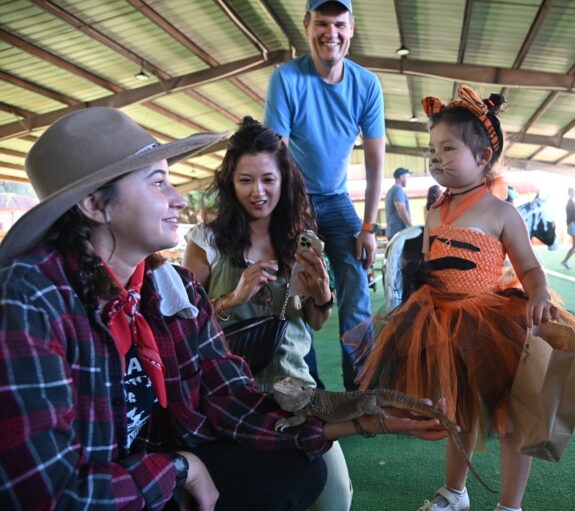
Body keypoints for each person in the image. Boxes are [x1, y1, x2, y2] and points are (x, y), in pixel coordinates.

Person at [0, 107, 449, 511]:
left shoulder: (165, 286)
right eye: (158, 182)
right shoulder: (32, 297)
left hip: (172, 448)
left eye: (269, 179)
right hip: (104, 485)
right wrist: (178, 469)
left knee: (299, 469)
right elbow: (49, 494)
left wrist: (369, 420)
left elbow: (229, 397)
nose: (177, 199)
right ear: (95, 205)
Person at [358, 86, 575, 511]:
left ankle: (509, 505)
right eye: (432, 149)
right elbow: (427, 267)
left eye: (448, 148)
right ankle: (454, 491)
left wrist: (537, 293)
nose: (436, 157)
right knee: (458, 413)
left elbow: (530, 267)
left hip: (491, 325)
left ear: (482, 157)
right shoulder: (432, 211)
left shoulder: (501, 212)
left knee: (513, 421)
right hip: (439, 324)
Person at [181, 117, 351, 511]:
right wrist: (233, 298)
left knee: (337, 499)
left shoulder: (302, 240)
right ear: (231, 182)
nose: (258, 192)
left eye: (268, 180)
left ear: (284, 181)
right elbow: (183, 326)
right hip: (228, 398)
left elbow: (315, 322)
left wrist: (322, 297)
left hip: (296, 392)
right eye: (246, 180)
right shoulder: (205, 241)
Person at [264, 0, 385, 390]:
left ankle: (361, 385)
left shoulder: (366, 84)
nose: (329, 33)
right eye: (321, 23)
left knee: (355, 278)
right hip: (295, 199)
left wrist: (368, 226)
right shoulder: (286, 78)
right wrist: (281, 217)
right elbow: (275, 155)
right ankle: (307, 383)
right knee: (295, 288)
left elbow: (374, 162)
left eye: (338, 24)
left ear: (351, 29)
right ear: (307, 26)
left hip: (337, 200)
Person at [385, 167, 413, 239]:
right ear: (401, 177)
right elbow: (401, 209)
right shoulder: (398, 190)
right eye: (407, 177)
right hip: (399, 232)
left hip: (393, 231)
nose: (408, 179)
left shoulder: (391, 190)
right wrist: (411, 228)